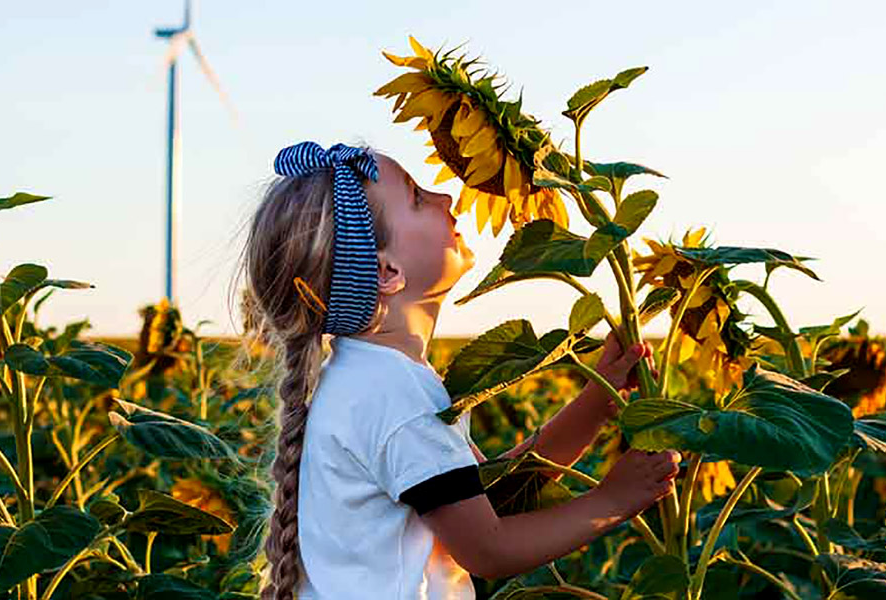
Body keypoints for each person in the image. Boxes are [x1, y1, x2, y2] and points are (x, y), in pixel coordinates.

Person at [235, 141, 680, 600]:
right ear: (387, 272)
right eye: (417, 197)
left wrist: (594, 404)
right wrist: (611, 501)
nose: (446, 199)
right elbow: (489, 547)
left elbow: (492, 496)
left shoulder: (369, 379)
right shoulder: (393, 395)